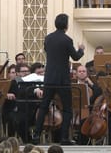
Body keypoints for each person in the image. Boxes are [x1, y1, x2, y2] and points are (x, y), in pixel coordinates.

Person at [33, 13, 85, 145]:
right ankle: (64, 138)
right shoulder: (67, 40)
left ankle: (36, 135)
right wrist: (81, 49)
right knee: (67, 109)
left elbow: (47, 50)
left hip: (49, 78)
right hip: (62, 80)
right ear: (66, 25)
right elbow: (75, 57)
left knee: (44, 106)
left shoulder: (48, 38)